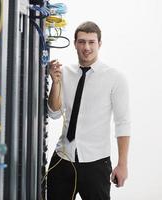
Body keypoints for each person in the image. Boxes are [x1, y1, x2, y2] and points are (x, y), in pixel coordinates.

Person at [47, 21, 131, 200]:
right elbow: (53, 113)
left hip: (96, 164)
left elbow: (122, 123)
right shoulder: (64, 73)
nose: (86, 47)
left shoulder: (115, 78)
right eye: (82, 41)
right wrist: (55, 84)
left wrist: (122, 164)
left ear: (99, 44)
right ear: (75, 43)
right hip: (63, 159)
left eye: (91, 42)